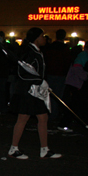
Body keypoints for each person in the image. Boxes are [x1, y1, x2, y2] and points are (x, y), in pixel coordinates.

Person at [8, 27, 62, 160]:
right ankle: (13, 148)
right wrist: (40, 81)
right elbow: (22, 73)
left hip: (36, 91)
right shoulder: (29, 52)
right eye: (42, 36)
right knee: (23, 119)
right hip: (27, 91)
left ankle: (44, 149)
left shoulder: (37, 51)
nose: (45, 38)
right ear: (37, 38)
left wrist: (42, 83)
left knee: (43, 118)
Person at [58, 40, 88, 136]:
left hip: (80, 85)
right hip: (80, 85)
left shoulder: (87, 56)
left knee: (75, 106)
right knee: (86, 106)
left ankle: (63, 124)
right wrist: (86, 77)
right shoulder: (85, 56)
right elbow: (77, 68)